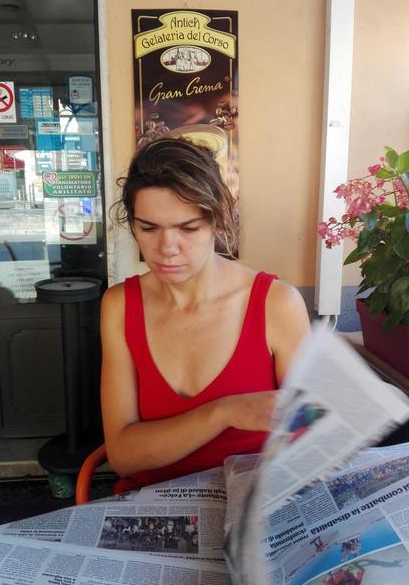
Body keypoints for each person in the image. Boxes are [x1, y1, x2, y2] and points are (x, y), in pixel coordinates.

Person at [100, 137, 311, 494]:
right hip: (151, 507)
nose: (167, 248)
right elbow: (122, 455)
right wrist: (223, 412)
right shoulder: (120, 305)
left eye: (188, 228)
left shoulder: (277, 304)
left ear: (217, 220)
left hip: (254, 505)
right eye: (148, 228)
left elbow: (310, 436)